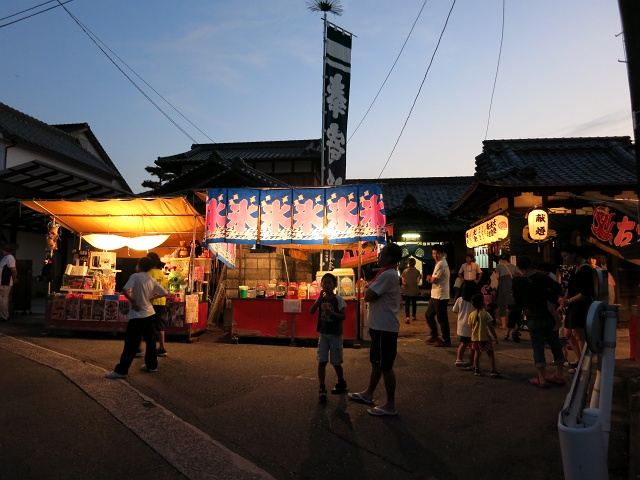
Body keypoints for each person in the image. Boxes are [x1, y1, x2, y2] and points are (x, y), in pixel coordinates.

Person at [348, 242, 402, 416]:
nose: (379, 256)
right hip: (380, 325)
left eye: (382, 253)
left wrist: (367, 288)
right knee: (377, 363)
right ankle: (369, 394)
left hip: (384, 327)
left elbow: (368, 295)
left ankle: (391, 405)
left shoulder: (388, 275)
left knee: (385, 366)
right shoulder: (386, 273)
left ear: (390, 258)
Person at [105, 256, 168, 379]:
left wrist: (133, 301)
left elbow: (125, 290)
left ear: (139, 265)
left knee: (130, 344)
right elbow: (164, 293)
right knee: (150, 342)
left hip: (137, 316)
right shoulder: (150, 278)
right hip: (150, 314)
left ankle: (121, 371)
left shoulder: (135, 276)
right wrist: (150, 298)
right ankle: (152, 365)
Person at [512, 255, 565, 388]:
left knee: (538, 347)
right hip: (548, 315)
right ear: (531, 265)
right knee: (555, 344)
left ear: (520, 267)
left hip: (532, 317)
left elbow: (517, 303)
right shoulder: (542, 277)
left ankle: (542, 378)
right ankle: (559, 375)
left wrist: (514, 321)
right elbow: (559, 289)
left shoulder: (517, 282)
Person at [310, 273, 347, 403]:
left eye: (329, 282)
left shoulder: (339, 299)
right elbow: (312, 311)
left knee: (336, 362)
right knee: (322, 361)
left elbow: (343, 316)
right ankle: (322, 388)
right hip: (323, 334)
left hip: (335, 335)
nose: (326, 285)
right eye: (324, 282)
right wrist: (319, 299)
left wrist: (333, 314)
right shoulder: (321, 299)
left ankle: (341, 382)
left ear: (335, 285)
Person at [559, 244, 595, 367]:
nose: (565, 259)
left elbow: (585, 292)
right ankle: (580, 360)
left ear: (574, 254)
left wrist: (569, 301)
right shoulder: (575, 268)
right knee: (568, 334)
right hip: (572, 304)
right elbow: (570, 287)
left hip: (581, 305)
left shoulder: (586, 268)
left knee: (578, 335)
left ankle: (584, 364)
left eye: (566, 256)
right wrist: (564, 300)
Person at [425, 245, 451, 347]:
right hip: (435, 294)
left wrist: (428, 278)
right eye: (433, 253)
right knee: (428, 314)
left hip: (440, 295)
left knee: (442, 318)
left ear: (441, 253)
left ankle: (446, 339)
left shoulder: (441, 264)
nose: (434, 255)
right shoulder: (440, 262)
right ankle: (434, 335)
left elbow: (433, 280)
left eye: (437, 253)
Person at [468, 294, 500, 377]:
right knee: (490, 354)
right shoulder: (485, 314)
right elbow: (491, 327)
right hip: (485, 338)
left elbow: (471, 327)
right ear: (481, 303)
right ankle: (493, 370)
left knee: (477, 354)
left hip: (475, 339)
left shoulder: (471, 315)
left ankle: (477, 370)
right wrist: (495, 337)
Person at [148, 252, 169, 357]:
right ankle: (162, 347)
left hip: (151, 302)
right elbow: (164, 287)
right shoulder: (161, 273)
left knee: (148, 326)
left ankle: (144, 348)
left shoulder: (149, 273)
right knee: (160, 326)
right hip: (162, 301)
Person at [493, 253, 519, 332]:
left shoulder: (499, 266)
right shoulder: (514, 267)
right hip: (512, 289)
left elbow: (497, 277)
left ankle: (504, 325)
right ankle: (513, 324)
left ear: (501, 260)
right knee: (512, 306)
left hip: (503, 288)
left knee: (502, 306)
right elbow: (520, 274)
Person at [452, 282, 474, 367]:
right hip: (472, 326)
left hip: (462, 327)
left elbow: (454, 310)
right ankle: (471, 362)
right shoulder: (474, 300)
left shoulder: (460, 300)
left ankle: (459, 359)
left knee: (463, 344)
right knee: (472, 345)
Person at [0, 244, 18, 322]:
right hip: (3, 281)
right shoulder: (5, 258)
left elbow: (13, 270)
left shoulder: (10, 258)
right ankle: (3, 315)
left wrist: (14, 278)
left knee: (3, 299)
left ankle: (4, 316)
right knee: (2, 299)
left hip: (5, 282)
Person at [401, 257, 422, 324]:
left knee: (407, 304)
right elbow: (418, 282)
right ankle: (413, 316)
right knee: (414, 303)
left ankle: (407, 317)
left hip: (407, 290)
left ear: (408, 263)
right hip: (414, 290)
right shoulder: (417, 272)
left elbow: (403, 282)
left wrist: (406, 284)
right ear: (415, 264)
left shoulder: (405, 271)